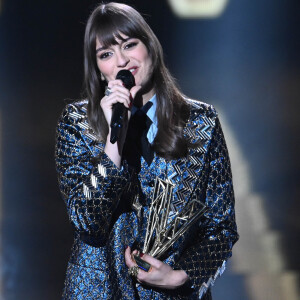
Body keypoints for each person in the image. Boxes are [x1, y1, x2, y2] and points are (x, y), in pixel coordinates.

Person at [55, 2, 238, 299]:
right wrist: (114, 142)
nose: (122, 61)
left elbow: (221, 228)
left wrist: (181, 276)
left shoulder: (201, 122)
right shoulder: (78, 124)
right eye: (106, 54)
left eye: (130, 45)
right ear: (99, 70)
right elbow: (88, 221)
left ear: (150, 47)